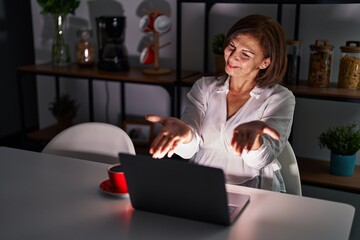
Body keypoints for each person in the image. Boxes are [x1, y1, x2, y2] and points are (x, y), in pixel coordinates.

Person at [146, 14, 295, 192]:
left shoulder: (280, 98)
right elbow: (189, 151)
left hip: (255, 189)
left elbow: (262, 160)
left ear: (265, 62)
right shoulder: (204, 87)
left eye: (245, 54)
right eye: (231, 46)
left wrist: (254, 142)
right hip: (201, 185)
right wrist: (185, 134)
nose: (232, 57)